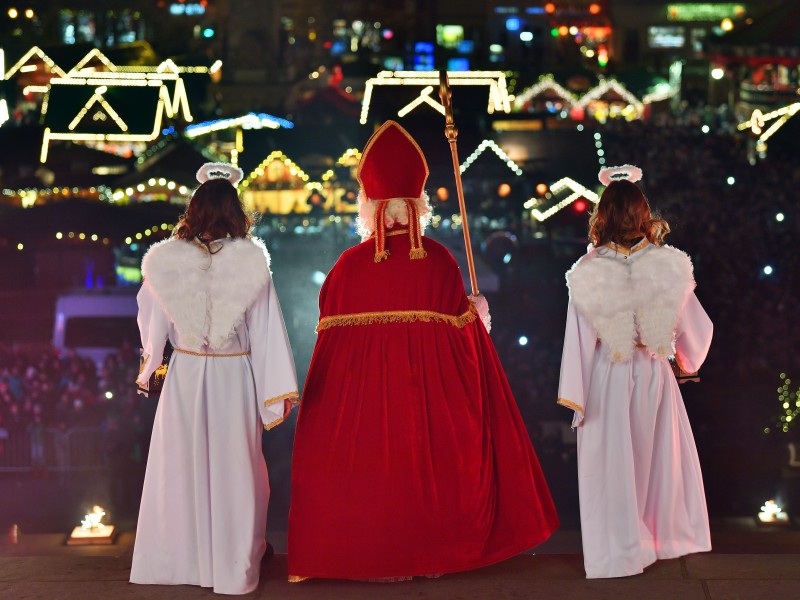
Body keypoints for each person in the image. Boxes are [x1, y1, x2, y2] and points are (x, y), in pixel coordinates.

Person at [288, 121, 558, 582]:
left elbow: (328, 358)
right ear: (418, 204)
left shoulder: (347, 268)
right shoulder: (439, 261)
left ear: (369, 206)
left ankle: (363, 553)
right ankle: (434, 552)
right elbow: (465, 350)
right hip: (425, 412)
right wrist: (476, 314)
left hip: (366, 413)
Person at [130, 162, 299, 595]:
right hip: (233, 377)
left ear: (195, 208)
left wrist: (151, 367)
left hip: (185, 373)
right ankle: (232, 568)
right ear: (235, 210)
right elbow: (266, 329)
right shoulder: (251, 260)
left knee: (179, 467)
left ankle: (179, 562)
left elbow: (149, 318)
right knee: (235, 470)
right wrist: (274, 390)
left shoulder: (164, 261)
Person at [557, 165, 713, 579]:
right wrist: (687, 359)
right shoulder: (671, 264)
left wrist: (576, 396)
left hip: (609, 375)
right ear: (644, 215)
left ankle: (620, 554)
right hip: (654, 373)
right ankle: (661, 541)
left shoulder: (586, 271)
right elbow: (695, 326)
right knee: (656, 460)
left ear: (602, 215)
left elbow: (576, 339)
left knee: (614, 468)